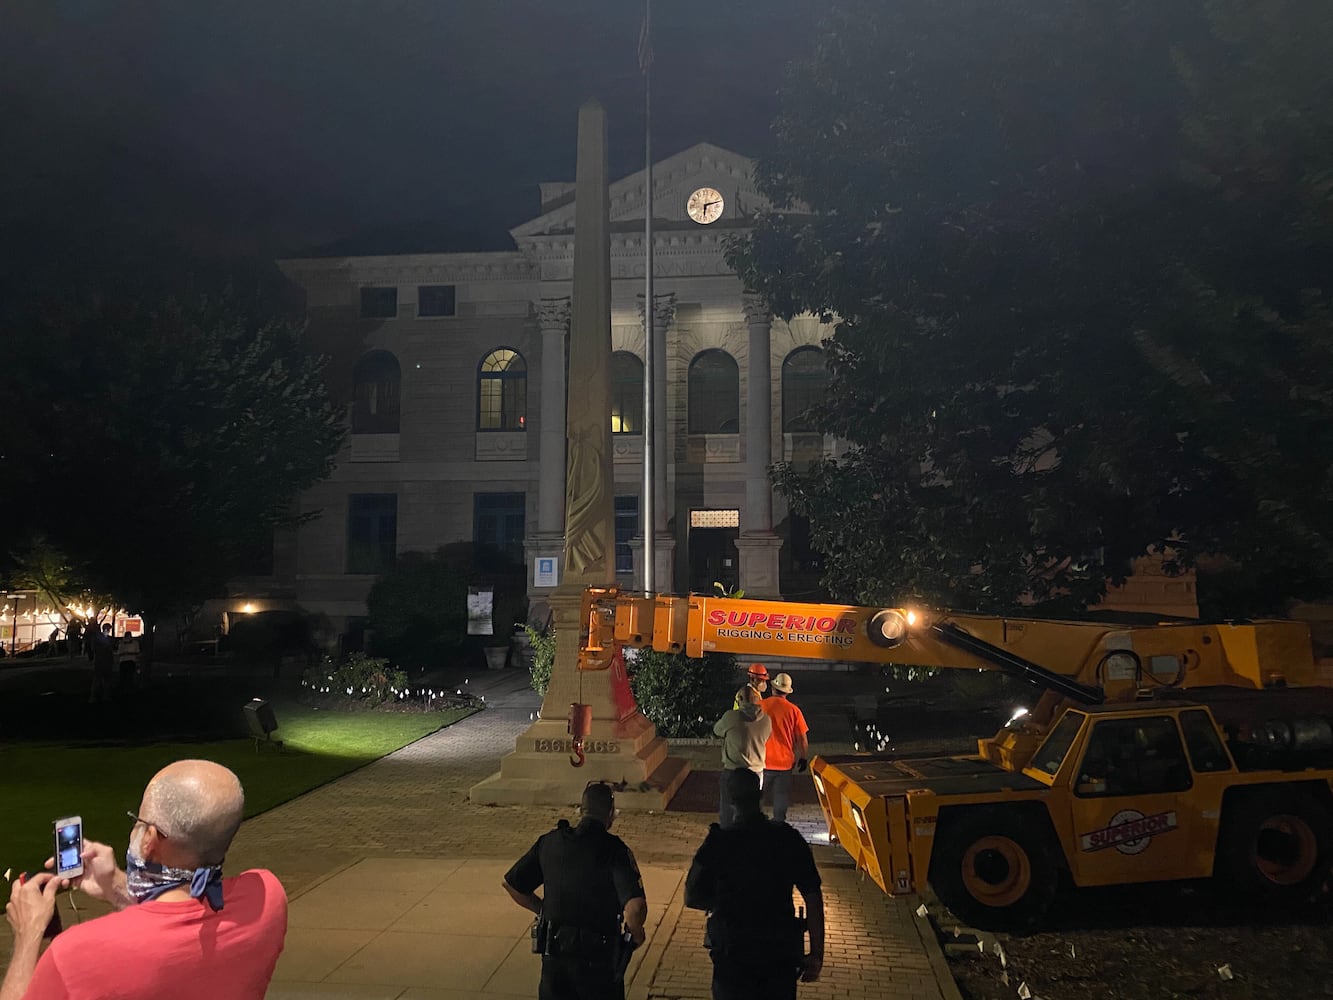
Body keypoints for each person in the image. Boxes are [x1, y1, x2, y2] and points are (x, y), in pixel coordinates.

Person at [2, 760, 288, 1000]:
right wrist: (115, 886)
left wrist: (29, 933)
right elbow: (175, 923)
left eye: (137, 821)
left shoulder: (75, 954)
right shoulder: (267, 899)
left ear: (149, 838)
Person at [685, 768, 825, 1000]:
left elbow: (691, 896)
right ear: (760, 796)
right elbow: (813, 896)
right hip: (778, 957)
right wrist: (816, 954)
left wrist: (717, 900)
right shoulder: (787, 839)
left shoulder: (718, 843)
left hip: (733, 957)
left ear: (730, 799)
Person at [503, 782, 647, 1000]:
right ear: (610, 815)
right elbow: (635, 908)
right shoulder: (615, 850)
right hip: (598, 967)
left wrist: (541, 908)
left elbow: (512, 884)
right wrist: (636, 932)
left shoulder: (550, 842)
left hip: (555, 965)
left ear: (580, 811)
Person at [713, 685, 771, 827]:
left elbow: (717, 730)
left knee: (728, 808)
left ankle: (728, 838)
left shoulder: (731, 716)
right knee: (753, 807)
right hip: (757, 771)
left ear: (739, 701)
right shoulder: (766, 719)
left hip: (733, 769)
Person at [761, 673, 811, 824]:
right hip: (784, 763)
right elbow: (802, 738)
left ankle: (753, 824)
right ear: (787, 691)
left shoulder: (761, 705)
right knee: (781, 796)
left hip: (762, 760)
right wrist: (803, 757)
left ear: (773, 688)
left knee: (757, 795)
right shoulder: (794, 711)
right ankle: (778, 825)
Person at [88, 623, 115, 704]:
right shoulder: (99, 639)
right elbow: (96, 649)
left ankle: (102, 696)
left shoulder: (101, 638)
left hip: (104, 662)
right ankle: (95, 697)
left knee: (104, 680)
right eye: (108, 629)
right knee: (98, 680)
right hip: (101, 662)